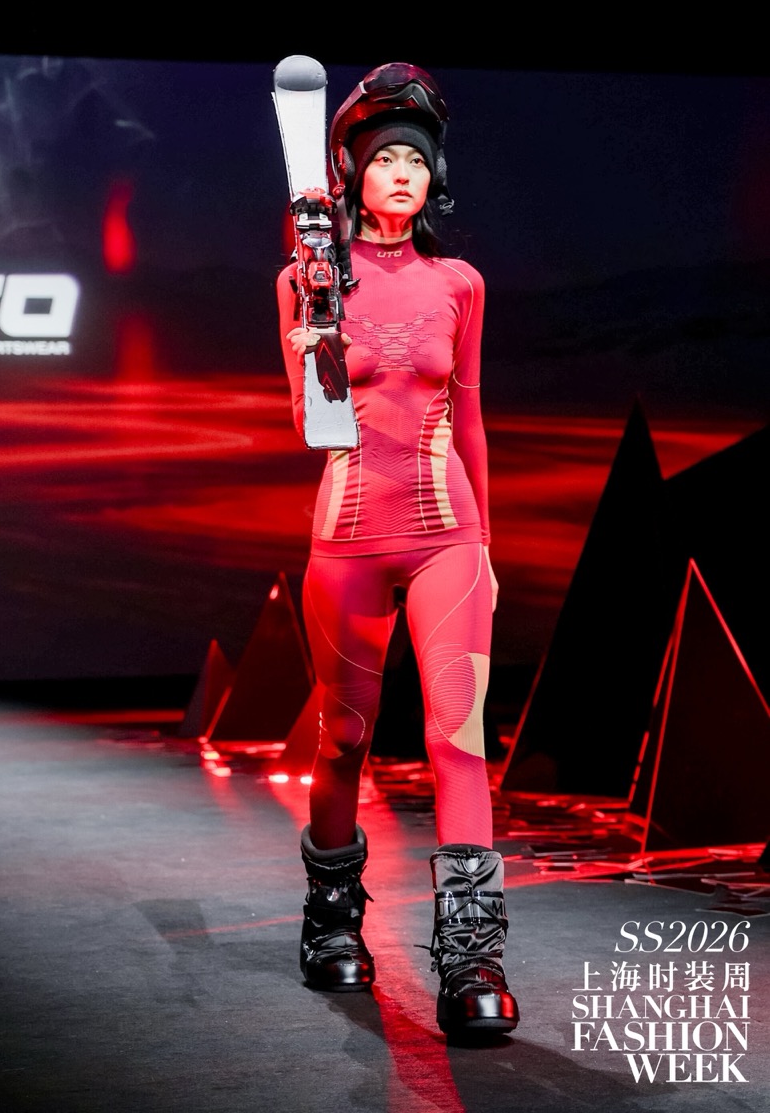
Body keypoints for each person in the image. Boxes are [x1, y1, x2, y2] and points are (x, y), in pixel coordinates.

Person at [276, 63, 519, 1037]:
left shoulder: (461, 282)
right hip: (347, 535)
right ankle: (330, 919)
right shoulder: (302, 277)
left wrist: (488, 544)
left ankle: (473, 958)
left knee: (458, 741)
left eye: (418, 157)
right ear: (350, 173)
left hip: (446, 534)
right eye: (386, 158)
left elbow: (472, 418)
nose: (405, 171)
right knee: (343, 741)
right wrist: (317, 333)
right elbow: (312, 426)